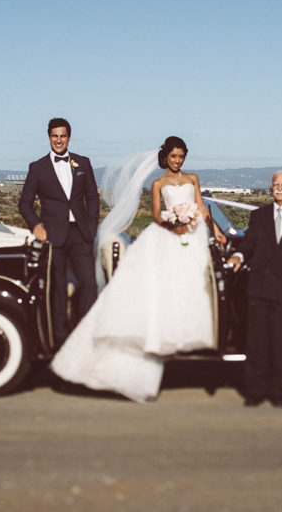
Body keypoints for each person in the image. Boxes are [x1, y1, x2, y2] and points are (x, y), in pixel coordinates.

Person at [51, 136, 226, 402]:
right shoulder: (158, 183)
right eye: (173, 157)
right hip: (168, 233)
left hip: (196, 233)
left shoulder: (192, 179)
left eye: (181, 157)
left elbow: (201, 206)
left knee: (195, 285)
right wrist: (175, 224)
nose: (177, 161)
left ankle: (187, 336)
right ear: (165, 157)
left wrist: (214, 229)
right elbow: (157, 214)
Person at [227, 170, 282, 408]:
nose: (279, 188)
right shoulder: (259, 216)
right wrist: (238, 255)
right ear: (270, 188)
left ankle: (277, 392)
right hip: (259, 289)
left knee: (281, 344)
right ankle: (254, 392)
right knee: (256, 344)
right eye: (276, 184)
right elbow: (250, 241)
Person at [19, 118, 100, 345]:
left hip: (81, 233)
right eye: (55, 136)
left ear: (69, 137)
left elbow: (92, 197)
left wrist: (91, 224)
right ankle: (60, 340)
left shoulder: (83, 163)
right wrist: (35, 224)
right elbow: (24, 203)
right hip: (53, 236)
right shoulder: (37, 167)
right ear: (49, 137)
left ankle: (86, 336)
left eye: (63, 136)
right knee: (58, 287)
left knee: (89, 283)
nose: (59, 140)